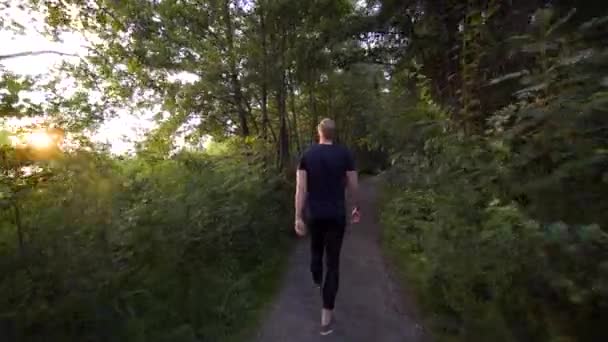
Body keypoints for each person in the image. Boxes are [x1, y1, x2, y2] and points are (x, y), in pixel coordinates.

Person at [294, 118, 360, 336]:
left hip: (315, 216)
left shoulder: (307, 156)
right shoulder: (344, 154)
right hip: (336, 216)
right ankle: (326, 319)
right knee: (333, 264)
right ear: (334, 133)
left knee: (315, 251)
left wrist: (298, 217)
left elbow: (301, 190)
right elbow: (353, 184)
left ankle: (316, 278)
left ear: (319, 133)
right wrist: (356, 207)